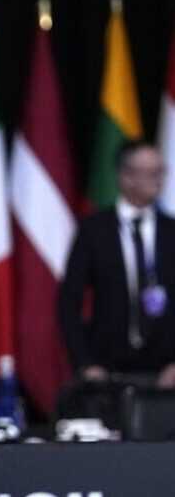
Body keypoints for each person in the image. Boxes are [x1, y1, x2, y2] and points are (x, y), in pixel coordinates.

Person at [59, 140, 175, 387]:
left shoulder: (171, 231)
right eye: (150, 173)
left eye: (161, 171)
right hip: (107, 374)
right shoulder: (94, 230)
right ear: (126, 176)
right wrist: (85, 363)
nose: (158, 180)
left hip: (166, 377)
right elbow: (69, 302)